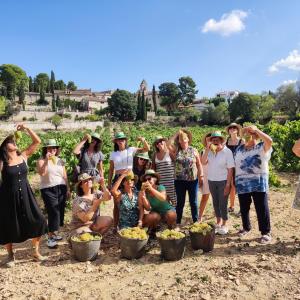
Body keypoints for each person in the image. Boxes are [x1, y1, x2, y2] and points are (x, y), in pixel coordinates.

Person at [0, 124, 48, 267]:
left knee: (39, 220)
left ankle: (35, 251)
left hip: (27, 195)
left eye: (13, 140)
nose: (14, 142)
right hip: (8, 197)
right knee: (7, 224)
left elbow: (37, 141)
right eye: (10, 141)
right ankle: (10, 255)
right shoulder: (2, 162)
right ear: (4, 145)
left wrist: (27, 129)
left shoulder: (23, 156)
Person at [234, 125, 273, 243]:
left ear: (256, 135)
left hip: (258, 183)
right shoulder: (238, 149)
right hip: (242, 184)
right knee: (244, 208)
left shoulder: (262, 147)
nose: (249, 135)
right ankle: (246, 227)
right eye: (246, 133)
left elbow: (269, 140)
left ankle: (266, 232)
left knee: (261, 208)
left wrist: (256, 129)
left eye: (252, 134)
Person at [108, 131, 149, 231]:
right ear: (116, 142)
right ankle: (115, 226)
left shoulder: (131, 150)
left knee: (134, 200)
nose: (121, 141)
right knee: (117, 204)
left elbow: (146, 149)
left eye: (122, 139)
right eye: (119, 140)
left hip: (130, 178)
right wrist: (109, 183)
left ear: (125, 141)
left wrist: (143, 140)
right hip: (118, 178)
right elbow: (111, 169)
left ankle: (134, 222)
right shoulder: (113, 154)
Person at [37, 139, 70, 249]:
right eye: (50, 148)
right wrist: (47, 160)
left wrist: (68, 188)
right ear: (46, 149)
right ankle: (50, 237)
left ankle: (54, 233)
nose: (52, 150)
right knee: (53, 211)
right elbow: (42, 172)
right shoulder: (41, 160)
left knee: (59, 211)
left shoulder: (61, 160)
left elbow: (64, 175)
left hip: (61, 187)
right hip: (48, 188)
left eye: (54, 148)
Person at [201, 131, 235, 235]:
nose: (215, 141)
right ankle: (218, 222)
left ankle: (224, 224)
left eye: (217, 139)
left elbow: (230, 169)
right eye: (213, 140)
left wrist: (228, 184)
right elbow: (203, 162)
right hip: (212, 180)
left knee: (223, 203)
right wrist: (207, 149)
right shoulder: (210, 151)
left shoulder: (227, 152)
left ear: (221, 140)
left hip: (223, 181)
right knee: (215, 203)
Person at [171, 129, 203, 224]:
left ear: (188, 139)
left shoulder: (194, 150)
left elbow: (199, 164)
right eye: (181, 138)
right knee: (180, 202)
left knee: (193, 202)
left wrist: (201, 175)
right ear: (179, 141)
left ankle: (195, 220)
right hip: (179, 181)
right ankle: (178, 221)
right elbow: (168, 144)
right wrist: (177, 133)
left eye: (185, 138)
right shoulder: (176, 150)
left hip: (193, 180)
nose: (183, 140)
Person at [152, 135, 177, 207]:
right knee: (164, 201)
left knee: (175, 201)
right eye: (157, 143)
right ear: (156, 145)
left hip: (171, 181)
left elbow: (177, 163)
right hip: (161, 182)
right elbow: (153, 169)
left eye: (160, 141)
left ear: (164, 142)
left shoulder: (169, 152)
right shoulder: (154, 155)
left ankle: (176, 217)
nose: (159, 144)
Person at [225, 123, 243, 213]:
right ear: (228, 131)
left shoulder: (241, 141)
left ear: (237, 130)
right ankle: (231, 206)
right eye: (230, 128)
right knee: (232, 186)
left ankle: (242, 208)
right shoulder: (226, 141)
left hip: (240, 167)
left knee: (239, 186)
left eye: (234, 127)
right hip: (229, 167)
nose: (232, 129)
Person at [198, 132, 211, 222]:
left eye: (211, 138)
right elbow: (201, 164)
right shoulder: (203, 151)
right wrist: (200, 177)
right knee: (205, 197)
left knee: (218, 197)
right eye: (208, 138)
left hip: (216, 177)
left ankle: (220, 215)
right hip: (206, 176)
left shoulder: (219, 150)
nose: (209, 139)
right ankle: (200, 216)